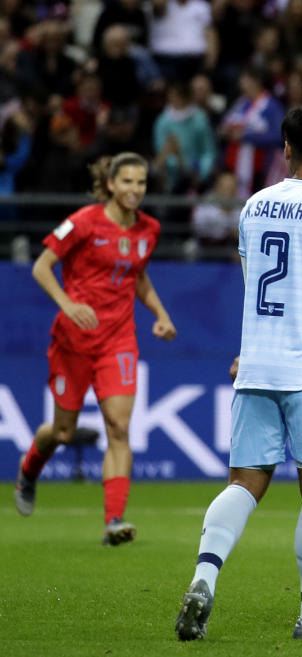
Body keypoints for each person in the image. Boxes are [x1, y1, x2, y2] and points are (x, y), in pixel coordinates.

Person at [173, 105, 302, 642]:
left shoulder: (253, 206)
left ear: (285, 148)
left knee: (245, 482)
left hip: (258, 363)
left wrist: (255, 347)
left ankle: (203, 578)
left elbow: (254, 286)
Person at [13, 152, 177, 546]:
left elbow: (137, 278)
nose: (135, 190)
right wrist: (68, 304)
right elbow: (41, 266)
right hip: (73, 341)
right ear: (109, 185)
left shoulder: (148, 229)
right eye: (127, 182)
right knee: (64, 432)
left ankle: (113, 520)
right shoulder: (84, 222)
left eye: (141, 183)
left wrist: (161, 313)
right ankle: (30, 469)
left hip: (118, 339)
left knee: (119, 428)